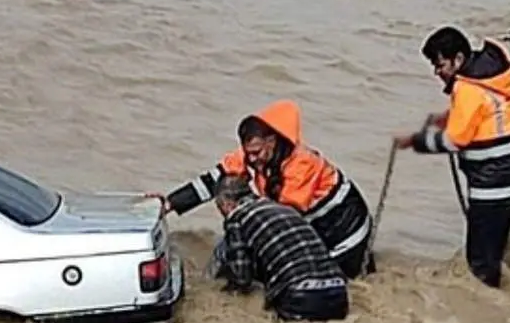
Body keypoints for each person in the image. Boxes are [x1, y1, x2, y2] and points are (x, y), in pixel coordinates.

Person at [153, 99, 376, 279]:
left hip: (344, 233)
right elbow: (213, 180)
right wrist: (169, 203)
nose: (252, 159)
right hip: (311, 223)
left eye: (257, 152)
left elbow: (283, 219)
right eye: (248, 152)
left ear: (271, 142)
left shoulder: (303, 165)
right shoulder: (253, 153)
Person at [392, 26, 510, 289]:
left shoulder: (467, 89)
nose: (437, 71)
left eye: (439, 64)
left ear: (458, 59)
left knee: (478, 264)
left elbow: (453, 141)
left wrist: (414, 141)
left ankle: (489, 312)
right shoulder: (492, 77)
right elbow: (488, 113)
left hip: (492, 186)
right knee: (494, 250)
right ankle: (508, 298)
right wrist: (448, 118)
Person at [208, 174, 350, 322]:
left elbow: (241, 277)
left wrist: (220, 292)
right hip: (338, 295)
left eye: (219, 207)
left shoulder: (237, 217)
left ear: (226, 204)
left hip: (301, 298)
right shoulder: (284, 208)